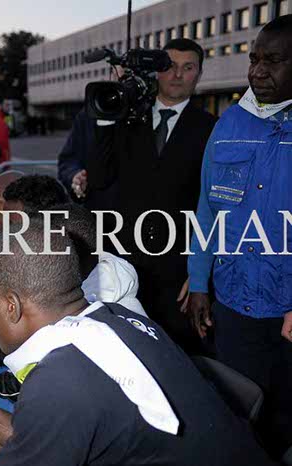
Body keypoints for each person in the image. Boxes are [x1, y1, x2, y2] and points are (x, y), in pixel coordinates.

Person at [0, 221, 275, 466]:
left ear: (11, 306)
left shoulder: (61, 379)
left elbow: (64, 407)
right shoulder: (112, 321)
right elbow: (67, 430)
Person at [187, 15, 292, 461]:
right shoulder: (228, 124)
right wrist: (198, 282)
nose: (257, 71)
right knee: (239, 418)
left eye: (273, 61)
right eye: (253, 59)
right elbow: (208, 210)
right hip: (233, 307)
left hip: (286, 312)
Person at [87, 38, 217, 352]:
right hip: (125, 268)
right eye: (169, 66)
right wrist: (106, 118)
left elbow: (215, 206)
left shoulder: (213, 128)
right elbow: (100, 178)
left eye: (188, 67)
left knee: (178, 357)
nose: (177, 75)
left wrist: (201, 273)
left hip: (179, 271)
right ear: (156, 70)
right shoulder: (126, 119)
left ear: (199, 74)